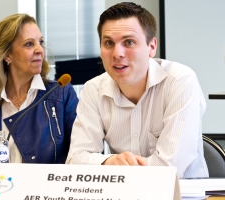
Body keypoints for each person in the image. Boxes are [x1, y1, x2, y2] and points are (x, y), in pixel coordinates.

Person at [66, 2, 209, 178]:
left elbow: (169, 168)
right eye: (109, 42)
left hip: (182, 193)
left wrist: (112, 170)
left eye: (129, 42)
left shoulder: (180, 81)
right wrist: (108, 161)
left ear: (152, 47)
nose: (117, 53)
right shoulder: (93, 90)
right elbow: (75, 160)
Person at [0, 14, 78, 164]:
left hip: (47, 187)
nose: (40, 50)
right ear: (7, 55)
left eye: (41, 42)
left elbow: (82, 155)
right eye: (29, 44)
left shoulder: (61, 94)